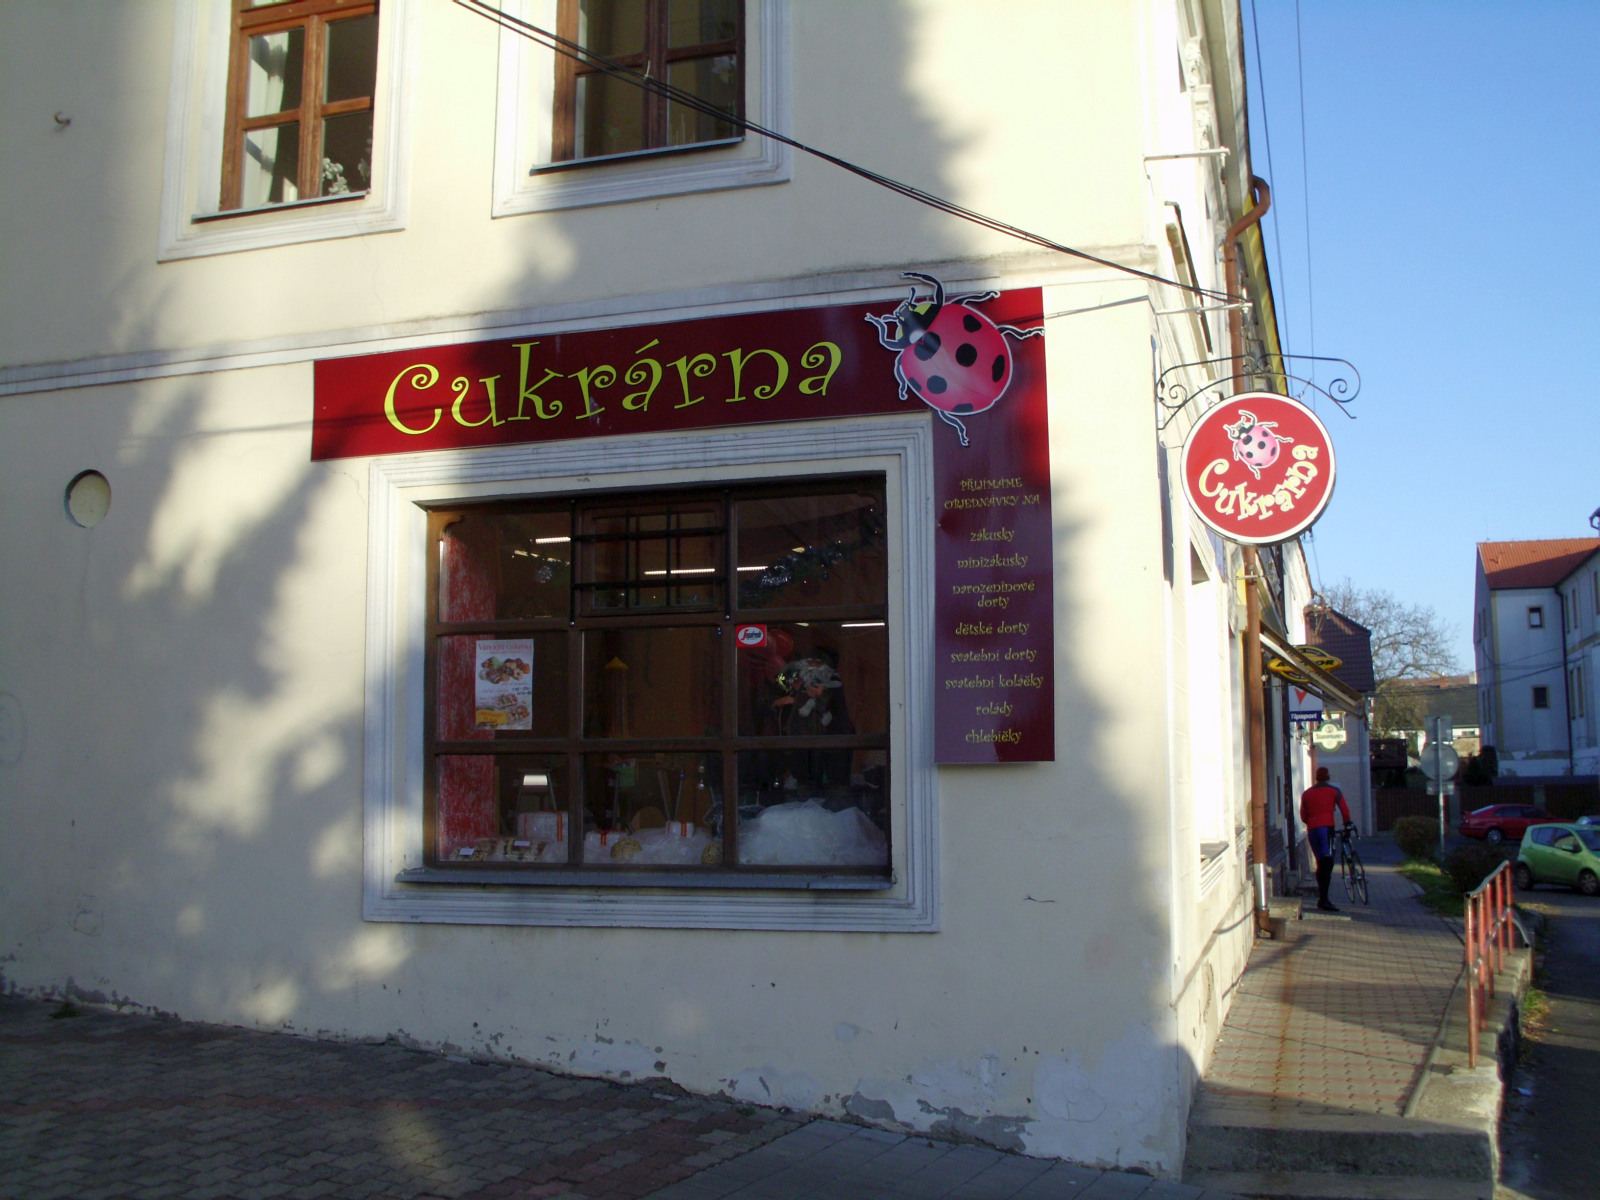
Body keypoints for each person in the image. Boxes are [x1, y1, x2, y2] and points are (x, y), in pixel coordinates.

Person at [1300, 766, 1353, 912]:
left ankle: (1322, 898)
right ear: (1328, 776)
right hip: (1326, 829)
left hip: (1313, 830)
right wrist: (1347, 824)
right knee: (1327, 863)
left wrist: (1311, 822)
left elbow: (1303, 815)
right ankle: (1324, 899)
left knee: (1320, 863)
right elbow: (1345, 810)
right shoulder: (1334, 791)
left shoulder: (1307, 794)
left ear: (1316, 777)